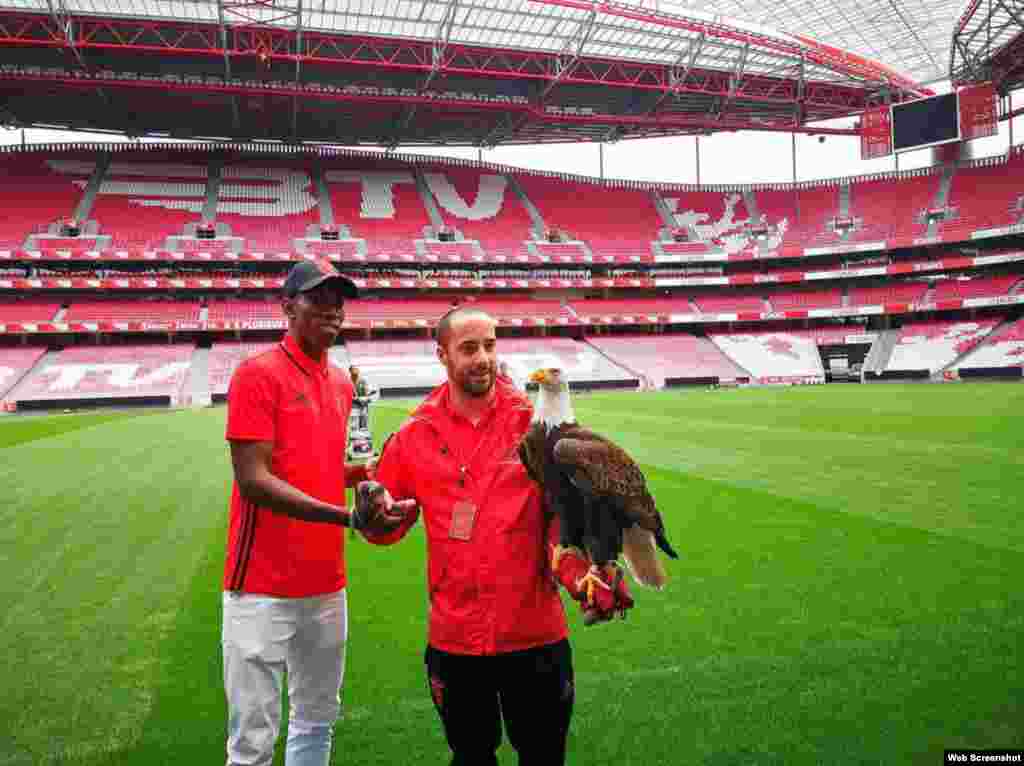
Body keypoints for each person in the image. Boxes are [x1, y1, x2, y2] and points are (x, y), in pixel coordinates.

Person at [359, 306, 634, 766]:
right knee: (471, 758)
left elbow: (560, 524)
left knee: (544, 758)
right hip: (455, 642)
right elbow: (385, 529)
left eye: (489, 345)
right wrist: (374, 517)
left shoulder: (537, 427)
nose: (483, 358)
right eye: (468, 348)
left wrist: (582, 575)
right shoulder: (413, 436)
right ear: (442, 355)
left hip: (535, 637)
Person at [221, 257, 412, 766]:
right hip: (260, 585)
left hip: (326, 581)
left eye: (339, 301)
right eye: (318, 299)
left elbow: (319, 467)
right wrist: (347, 517)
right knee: (252, 741)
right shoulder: (257, 375)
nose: (333, 310)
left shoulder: (342, 384)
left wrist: (369, 472)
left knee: (317, 719)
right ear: (288, 307)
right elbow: (254, 480)